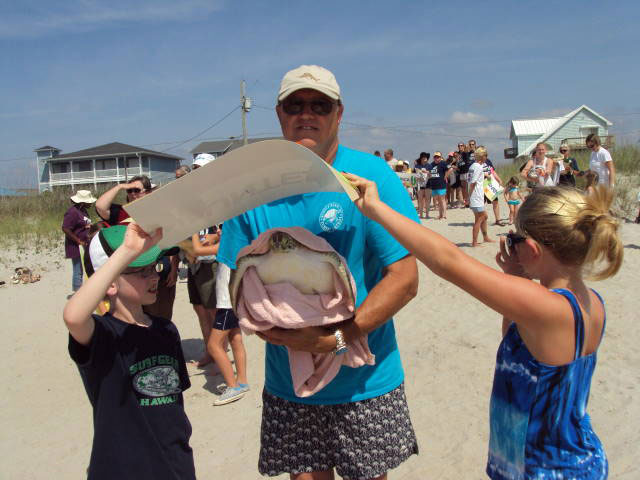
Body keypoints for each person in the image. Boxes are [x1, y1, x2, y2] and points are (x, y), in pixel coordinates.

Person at [345, 173, 622, 480]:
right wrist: (518, 280)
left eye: (514, 239)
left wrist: (375, 209)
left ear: (532, 249)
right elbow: (518, 345)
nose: (511, 246)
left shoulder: (547, 308)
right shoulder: (589, 302)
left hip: (545, 469)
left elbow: (448, 262)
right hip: (572, 455)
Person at [217, 64, 419, 480]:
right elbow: (238, 288)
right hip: (289, 384)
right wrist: (289, 335)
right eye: (295, 105)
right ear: (279, 114)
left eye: (319, 105)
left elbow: (405, 278)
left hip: (366, 380)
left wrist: (337, 337)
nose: (306, 114)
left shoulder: (371, 177)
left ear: (338, 114)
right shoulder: (251, 188)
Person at [63, 223, 195, 480]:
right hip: (122, 468)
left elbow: (174, 407)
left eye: (154, 267)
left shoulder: (166, 330)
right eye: (141, 271)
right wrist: (127, 252)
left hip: (176, 464)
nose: (154, 276)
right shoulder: (103, 334)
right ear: (110, 283)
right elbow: (73, 317)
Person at [208, 257, 249, 406]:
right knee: (235, 339)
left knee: (213, 345)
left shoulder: (227, 244)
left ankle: (233, 386)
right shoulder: (235, 244)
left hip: (227, 302)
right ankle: (242, 381)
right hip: (232, 300)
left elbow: (198, 251)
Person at [62, 190, 96, 295]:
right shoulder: (72, 212)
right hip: (75, 246)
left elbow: (83, 225)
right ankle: (77, 293)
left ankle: (86, 290)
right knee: (78, 269)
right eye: (89, 202)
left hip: (85, 243)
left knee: (87, 266)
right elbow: (65, 228)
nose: (91, 203)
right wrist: (78, 241)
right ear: (82, 202)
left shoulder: (83, 211)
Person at [467, 147, 494, 247]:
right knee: (482, 217)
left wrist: (486, 175)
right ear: (482, 156)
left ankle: (485, 237)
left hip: (476, 197)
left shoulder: (473, 166)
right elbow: (473, 183)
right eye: (486, 155)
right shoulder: (478, 166)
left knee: (480, 218)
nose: (486, 157)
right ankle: (474, 242)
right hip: (476, 197)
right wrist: (468, 197)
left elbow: (474, 178)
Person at [477, 147, 505, 226]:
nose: (485, 156)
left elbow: (492, 171)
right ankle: (481, 220)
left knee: (495, 202)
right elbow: (475, 174)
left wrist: (499, 179)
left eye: (485, 154)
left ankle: (498, 220)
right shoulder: (476, 163)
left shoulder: (488, 161)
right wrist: (485, 174)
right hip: (481, 184)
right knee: (481, 203)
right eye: (483, 154)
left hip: (490, 184)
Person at [428, 151, 452, 220]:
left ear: (440, 157)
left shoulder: (443, 163)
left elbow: (450, 169)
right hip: (434, 185)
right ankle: (440, 215)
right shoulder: (431, 164)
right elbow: (429, 173)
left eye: (438, 157)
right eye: (435, 157)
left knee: (442, 199)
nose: (436, 158)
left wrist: (446, 176)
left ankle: (444, 215)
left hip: (441, 184)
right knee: (438, 200)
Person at [415, 152, 430, 219]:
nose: (424, 159)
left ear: (427, 159)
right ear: (421, 158)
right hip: (419, 184)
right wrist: (419, 172)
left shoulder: (429, 166)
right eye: (423, 158)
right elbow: (414, 175)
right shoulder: (417, 166)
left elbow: (432, 175)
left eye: (425, 158)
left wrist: (427, 172)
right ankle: (421, 215)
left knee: (427, 200)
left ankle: (427, 214)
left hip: (428, 184)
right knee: (420, 200)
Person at [457, 142, 471, 207]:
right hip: (461, 172)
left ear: (464, 146)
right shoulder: (458, 154)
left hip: (466, 171)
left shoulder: (465, 153)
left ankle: (469, 201)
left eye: (461, 145)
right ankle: (466, 201)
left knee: (467, 187)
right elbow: (458, 163)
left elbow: (467, 162)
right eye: (459, 146)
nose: (460, 147)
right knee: (463, 188)